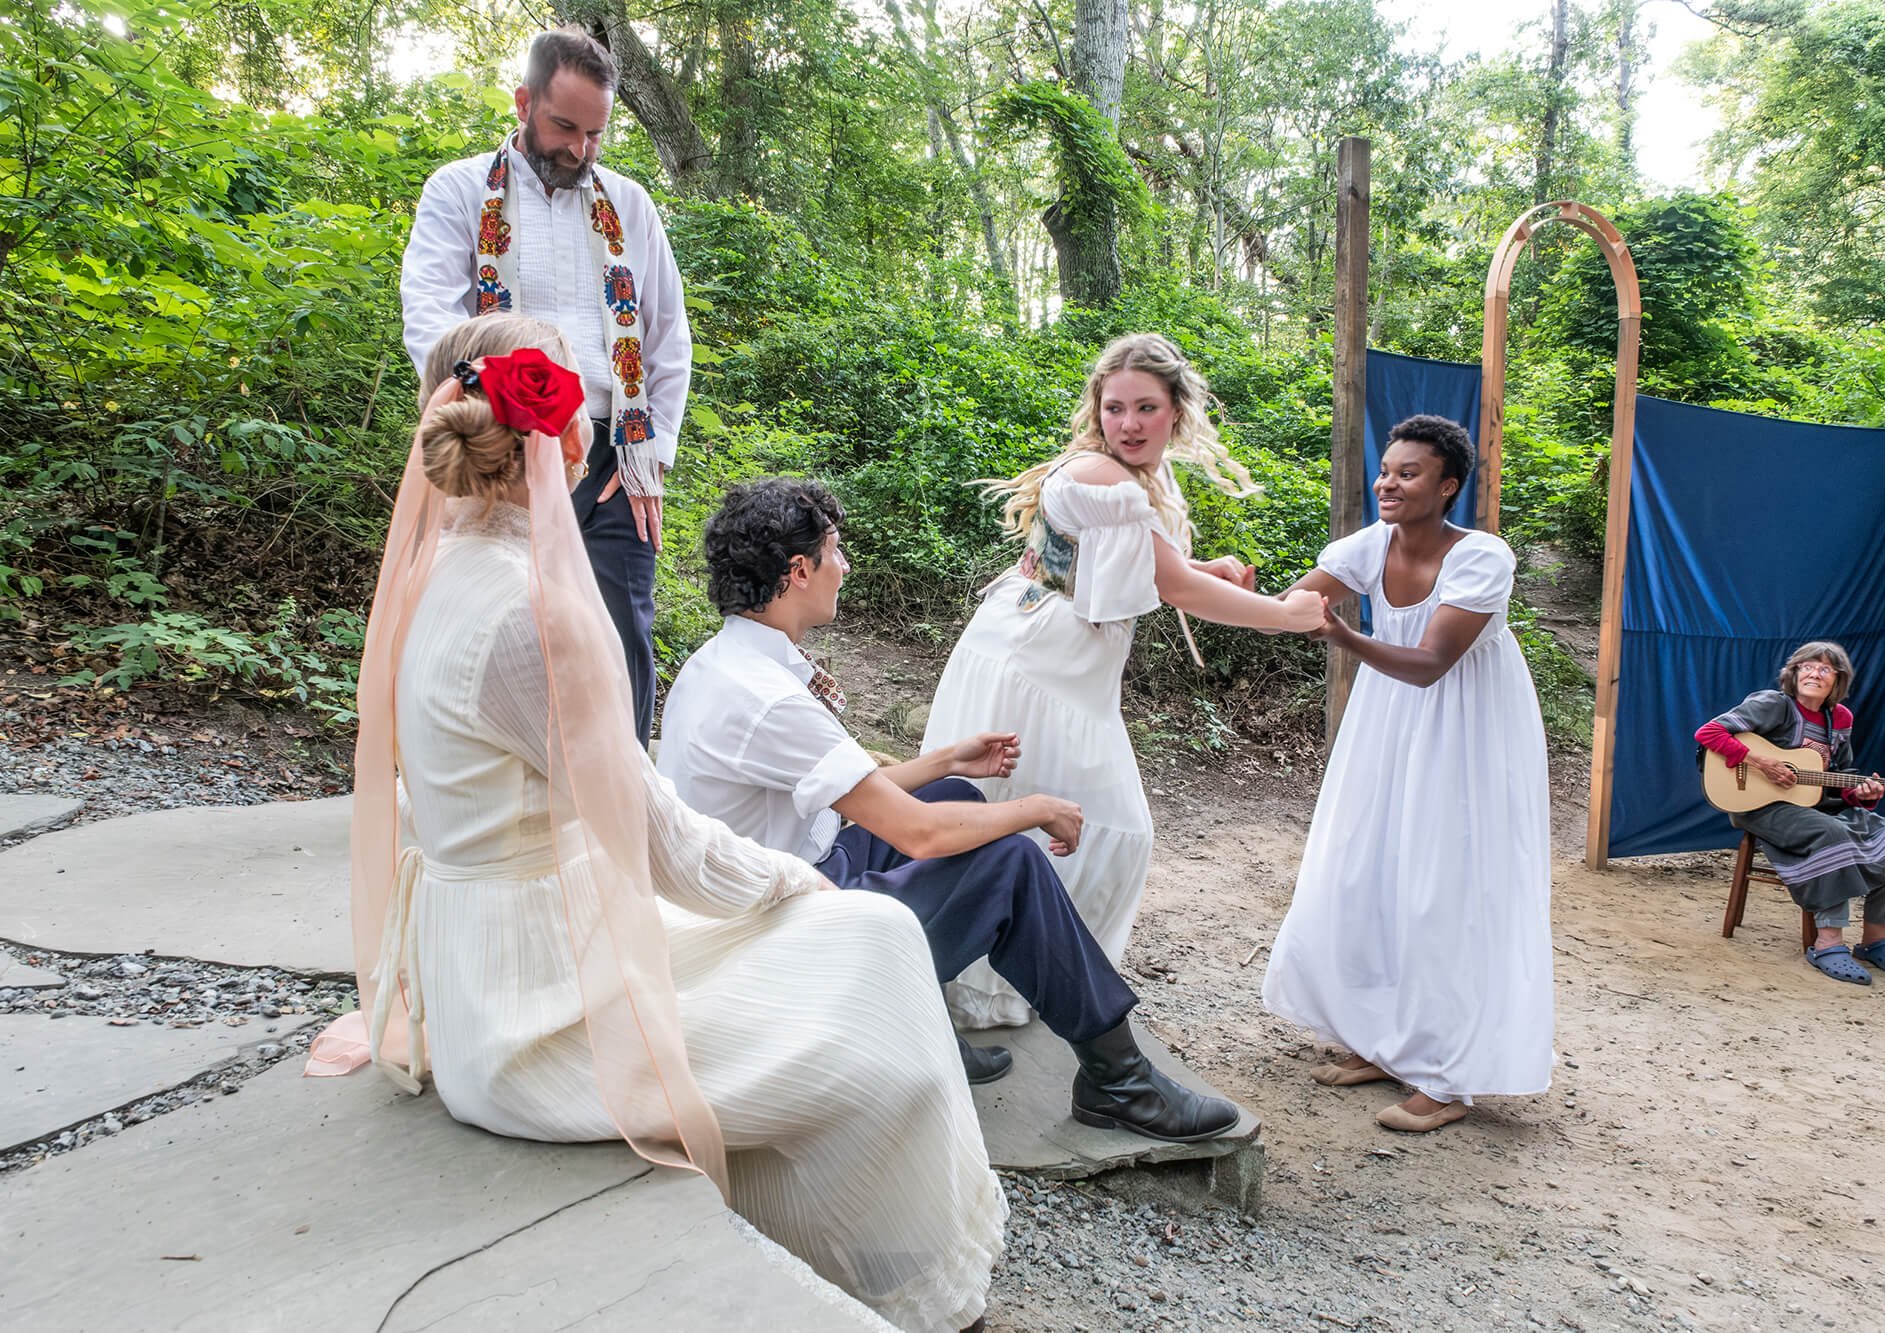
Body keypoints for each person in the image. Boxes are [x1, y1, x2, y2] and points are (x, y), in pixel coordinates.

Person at [306, 314, 1003, 1332]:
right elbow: (658, 841)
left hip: (495, 941)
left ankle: (860, 1256)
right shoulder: (524, 614)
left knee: (862, 939)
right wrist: (791, 883)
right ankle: (909, 1284)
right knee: (869, 975)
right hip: (529, 1009)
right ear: (563, 436)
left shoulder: (438, 567)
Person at [656, 478, 1242, 1144]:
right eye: (835, 552)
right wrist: (1033, 807)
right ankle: (1120, 1082)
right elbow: (920, 835)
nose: (844, 568)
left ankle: (931, 1031)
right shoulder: (769, 698)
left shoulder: (725, 664)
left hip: (780, 887)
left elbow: (860, 794)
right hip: (780, 943)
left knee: (953, 796)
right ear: (798, 572)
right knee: (1010, 861)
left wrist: (947, 760)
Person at [921, 332, 1328, 1029]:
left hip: (1072, 667)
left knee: (1095, 824)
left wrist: (1211, 566)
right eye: (1115, 408)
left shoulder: (1147, 481)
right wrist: (1285, 616)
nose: (1129, 424)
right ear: (1097, 411)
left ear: (1177, 410)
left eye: (1145, 407)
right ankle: (988, 984)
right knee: (1089, 820)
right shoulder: (1101, 475)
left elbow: (1153, 568)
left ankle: (1028, 977)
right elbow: (1173, 584)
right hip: (1035, 665)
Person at [1261, 414, 1553, 1134]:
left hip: (1466, 731)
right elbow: (1294, 604)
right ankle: (1382, 1043)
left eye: (1409, 472)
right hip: (1386, 725)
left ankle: (1448, 1077)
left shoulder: (1481, 556)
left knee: (1442, 891)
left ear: (1447, 485)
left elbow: (1429, 664)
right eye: (1386, 470)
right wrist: (1237, 587)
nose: (1388, 482)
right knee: (1369, 873)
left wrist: (1342, 632)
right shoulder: (1370, 545)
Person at [400, 26, 684, 744]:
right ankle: (524, 803)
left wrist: (648, 457)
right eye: (564, 126)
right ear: (523, 101)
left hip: (616, 461)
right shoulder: (460, 189)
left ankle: (625, 806)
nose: (580, 149)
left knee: (619, 636)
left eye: (595, 133)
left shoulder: (633, 205)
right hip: (501, 443)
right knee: (501, 623)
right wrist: (507, 412)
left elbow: (666, 340)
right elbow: (432, 318)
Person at [1695, 642, 1885, 985]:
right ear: (1794, 673)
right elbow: (1709, 733)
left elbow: (1840, 778)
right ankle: (1828, 943)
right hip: (1761, 806)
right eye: (1807, 666)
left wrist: (1863, 794)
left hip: (1816, 804)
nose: (1814, 674)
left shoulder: (1841, 719)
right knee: (1832, 835)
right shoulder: (1774, 704)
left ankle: (1876, 942)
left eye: (1824, 669)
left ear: (1838, 680)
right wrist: (1761, 761)